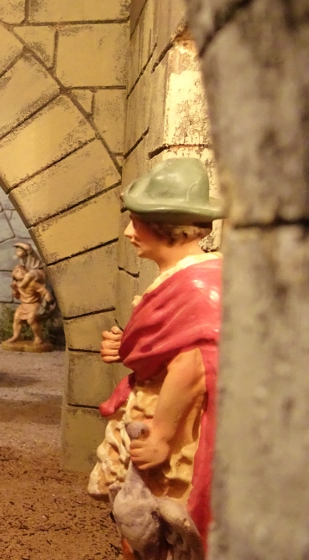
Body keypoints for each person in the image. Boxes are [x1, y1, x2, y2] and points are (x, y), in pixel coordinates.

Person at [88, 158, 224, 554]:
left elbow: (193, 366)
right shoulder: (182, 278)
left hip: (177, 425)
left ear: (167, 226)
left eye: (138, 222)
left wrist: (163, 436)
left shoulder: (196, 287)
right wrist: (127, 346)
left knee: (160, 521)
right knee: (139, 520)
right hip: (154, 409)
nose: (129, 232)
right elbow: (167, 346)